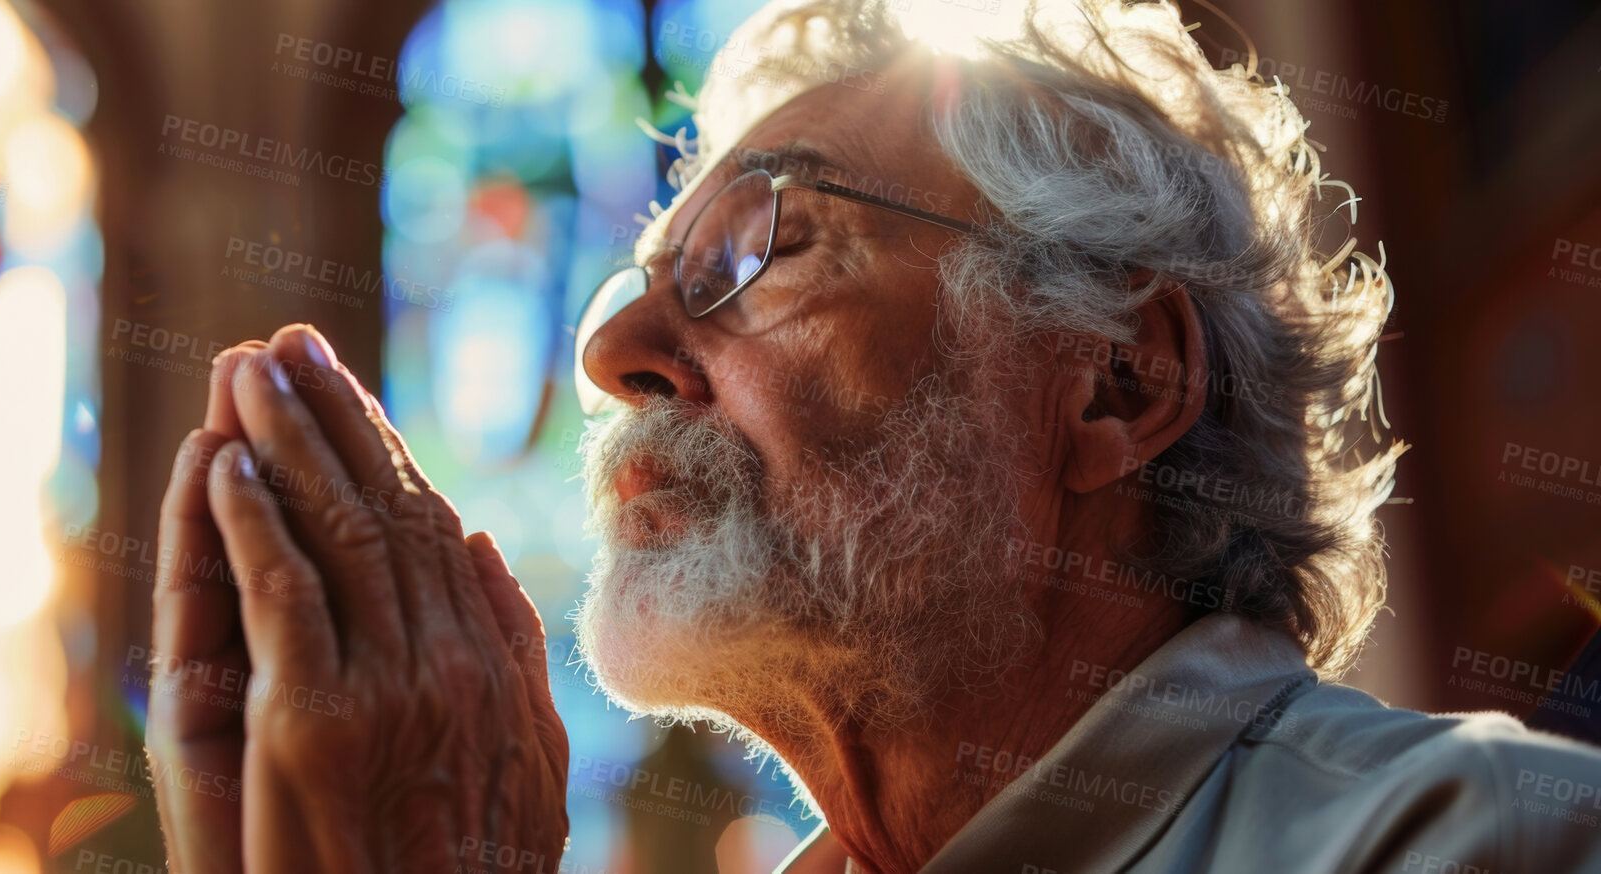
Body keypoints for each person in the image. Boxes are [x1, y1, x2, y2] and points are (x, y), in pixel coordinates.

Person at [139, 1, 1601, 871]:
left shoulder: (1478, 841)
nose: (609, 353)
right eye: (636, 284)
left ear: (1114, 379)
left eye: (760, 250)